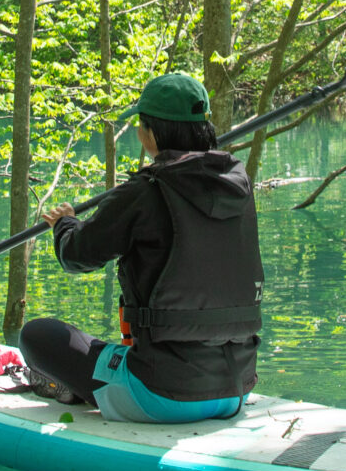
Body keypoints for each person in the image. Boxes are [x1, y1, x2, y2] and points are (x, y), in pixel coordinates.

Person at [17, 71, 261, 424]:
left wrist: (65, 225)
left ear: (152, 133)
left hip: (161, 394)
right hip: (238, 388)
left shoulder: (144, 192)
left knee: (37, 335)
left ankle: (79, 388)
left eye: (141, 125)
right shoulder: (239, 187)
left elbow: (76, 256)